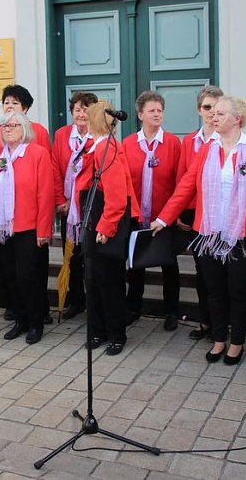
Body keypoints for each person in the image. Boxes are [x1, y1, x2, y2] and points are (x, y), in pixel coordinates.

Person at [152, 96, 246, 366]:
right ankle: (219, 339)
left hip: (241, 236)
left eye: (220, 114)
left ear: (237, 119)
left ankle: (236, 343)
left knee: (238, 291)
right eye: (212, 113)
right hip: (208, 234)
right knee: (214, 290)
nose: (213, 118)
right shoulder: (206, 149)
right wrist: (164, 218)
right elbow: (187, 185)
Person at [0, 85, 53, 323]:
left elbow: (45, 185)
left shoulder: (37, 141)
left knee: (31, 270)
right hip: (2, 218)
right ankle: (17, 311)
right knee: (10, 268)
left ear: (26, 110)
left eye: (15, 103)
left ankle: (37, 314)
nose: (9, 107)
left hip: (27, 219)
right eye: (6, 103)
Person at [75, 102, 139, 356]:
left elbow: (116, 195)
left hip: (105, 224)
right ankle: (97, 330)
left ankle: (115, 333)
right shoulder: (96, 146)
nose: (82, 120)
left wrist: (107, 226)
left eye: (87, 117)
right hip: (94, 221)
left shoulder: (107, 147)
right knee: (93, 280)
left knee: (110, 282)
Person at [123, 91, 182, 330]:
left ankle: (172, 311)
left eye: (160, 110)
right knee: (135, 266)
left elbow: (180, 182)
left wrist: (169, 216)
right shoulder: (127, 144)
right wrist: (133, 213)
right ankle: (133, 308)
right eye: (152, 110)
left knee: (169, 265)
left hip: (164, 216)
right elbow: (126, 183)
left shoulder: (173, 143)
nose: (157, 114)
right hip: (137, 216)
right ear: (140, 115)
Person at [178, 84, 223, 341]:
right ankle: (205, 321)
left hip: (220, 218)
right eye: (207, 108)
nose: (211, 113)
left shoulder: (229, 139)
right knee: (202, 272)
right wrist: (181, 212)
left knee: (219, 275)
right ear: (199, 110)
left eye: (216, 109)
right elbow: (184, 177)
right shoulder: (189, 141)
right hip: (196, 215)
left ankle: (221, 324)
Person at [52, 91, 98, 319]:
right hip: (66, 209)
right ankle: (76, 301)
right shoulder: (61, 135)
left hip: (88, 207)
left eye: (87, 109)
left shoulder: (99, 136)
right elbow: (54, 168)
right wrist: (61, 199)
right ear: (71, 112)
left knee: (90, 256)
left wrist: (78, 199)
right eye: (78, 109)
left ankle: (94, 302)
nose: (82, 113)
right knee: (71, 256)